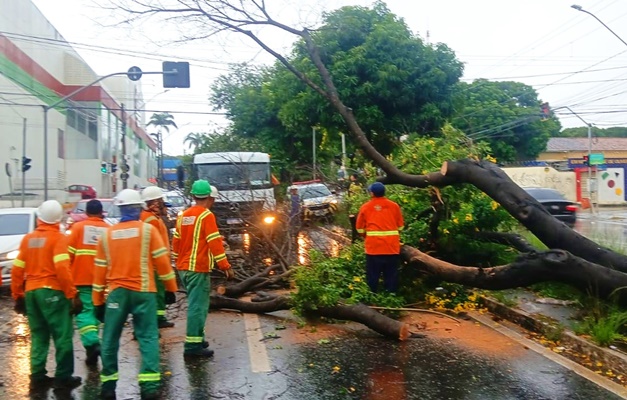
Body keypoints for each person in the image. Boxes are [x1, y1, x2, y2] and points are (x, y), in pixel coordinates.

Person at [93, 189, 178, 400]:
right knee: (147, 336)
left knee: (110, 338)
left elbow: (99, 272)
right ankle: (149, 386)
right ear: (139, 208)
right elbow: (163, 263)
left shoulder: (107, 235)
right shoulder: (148, 231)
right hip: (144, 292)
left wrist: (97, 302)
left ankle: (108, 386)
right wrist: (170, 289)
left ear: (119, 209)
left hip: (116, 295)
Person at [11, 200, 83, 391]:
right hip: (52, 292)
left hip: (32, 293)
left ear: (40, 217)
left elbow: (18, 270)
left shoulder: (28, 239)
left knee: (39, 335)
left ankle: (37, 376)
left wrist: (18, 295)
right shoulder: (59, 239)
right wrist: (72, 294)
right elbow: (62, 268)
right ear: (58, 219)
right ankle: (63, 378)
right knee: (63, 336)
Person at [172, 180, 234, 358]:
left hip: (183, 268)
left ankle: (198, 338)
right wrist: (226, 267)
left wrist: (178, 263)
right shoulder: (206, 216)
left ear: (192, 196)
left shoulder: (183, 215)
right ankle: (192, 347)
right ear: (210, 198)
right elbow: (214, 243)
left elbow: (175, 242)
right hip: (197, 268)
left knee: (197, 304)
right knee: (197, 307)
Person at [67, 199, 109, 366]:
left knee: (84, 315)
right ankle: (92, 350)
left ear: (86, 213)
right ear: (101, 212)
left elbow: (67, 256)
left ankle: (92, 343)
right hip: (103, 281)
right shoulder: (108, 230)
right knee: (96, 312)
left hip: (81, 279)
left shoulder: (77, 228)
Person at [355, 182, 404, 293]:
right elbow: (400, 226)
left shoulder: (365, 207)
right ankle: (391, 298)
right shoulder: (394, 206)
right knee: (391, 275)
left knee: (373, 276)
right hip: (391, 247)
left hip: (373, 248)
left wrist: (366, 236)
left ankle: (373, 298)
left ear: (372, 193)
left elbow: (359, 228)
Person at [140, 186, 175, 329]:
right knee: (158, 291)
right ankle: (158, 318)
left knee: (158, 291)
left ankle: (158, 317)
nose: (162, 204)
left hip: (155, 261)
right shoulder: (151, 220)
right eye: (160, 201)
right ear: (154, 202)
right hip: (156, 263)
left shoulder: (151, 218)